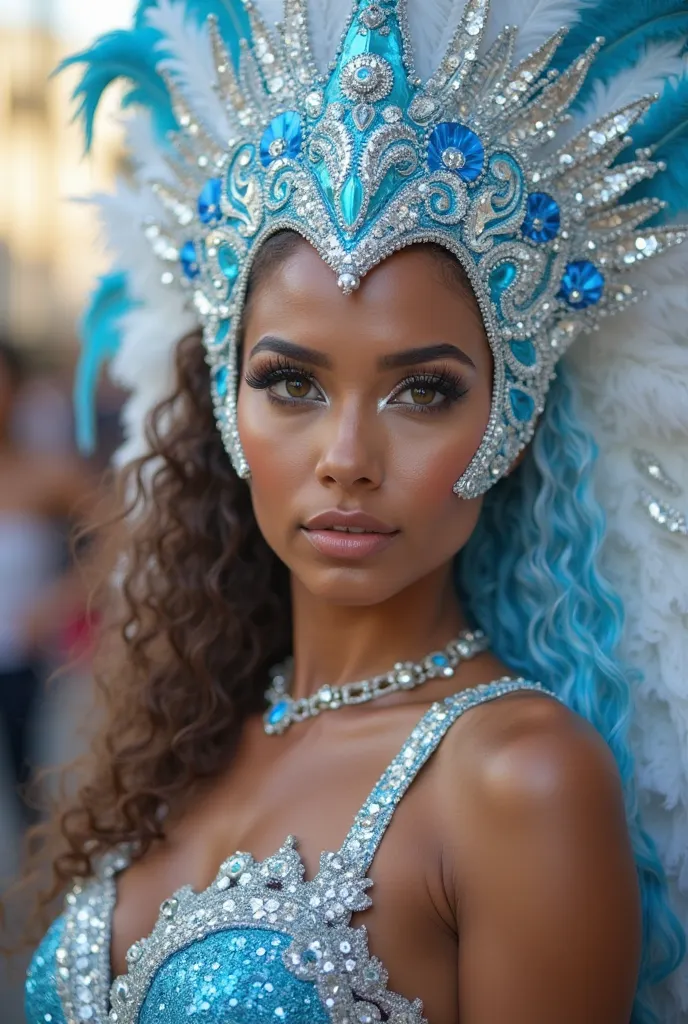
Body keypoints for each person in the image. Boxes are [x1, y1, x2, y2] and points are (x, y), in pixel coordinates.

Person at [18, 1, 688, 1022]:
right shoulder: (183, 728)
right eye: (291, 382)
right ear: (226, 403)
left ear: (511, 415)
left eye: (423, 391)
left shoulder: (518, 779)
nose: (345, 460)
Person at [0, 339, 92, 827]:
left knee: (27, 795)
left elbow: (120, 532)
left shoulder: (44, 475)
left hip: (22, 664)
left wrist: (63, 597)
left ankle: (34, 896)